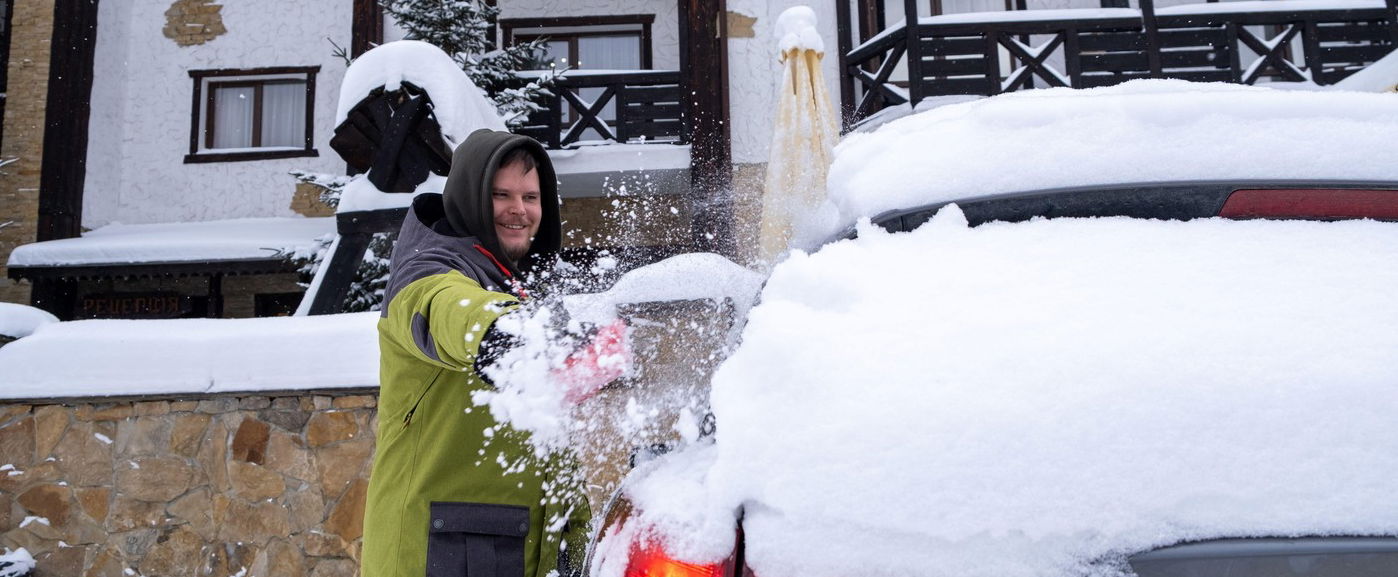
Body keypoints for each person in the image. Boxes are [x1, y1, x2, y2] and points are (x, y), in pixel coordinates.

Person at [362, 129, 610, 577]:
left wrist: (574, 533)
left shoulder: (517, 289)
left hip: (506, 550)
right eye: (501, 195)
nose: (519, 210)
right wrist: (507, 333)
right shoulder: (428, 273)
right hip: (436, 554)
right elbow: (451, 310)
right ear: (471, 198)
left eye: (531, 197)